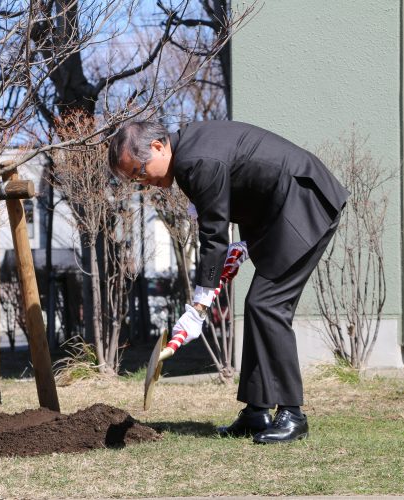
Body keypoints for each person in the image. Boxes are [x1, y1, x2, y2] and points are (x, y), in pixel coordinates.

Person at [108, 120, 349, 444]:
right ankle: (257, 411)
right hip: (284, 208)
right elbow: (242, 191)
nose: (143, 181)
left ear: (157, 147)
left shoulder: (196, 160)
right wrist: (245, 247)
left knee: (267, 305)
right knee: (260, 306)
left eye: (139, 171)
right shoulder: (191, 153)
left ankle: (292, 413)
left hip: (306, 202)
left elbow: (214, 233)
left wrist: (200, 303)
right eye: (135, 179)